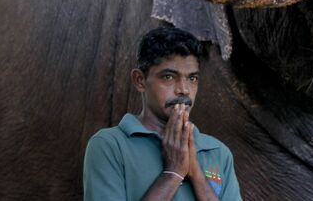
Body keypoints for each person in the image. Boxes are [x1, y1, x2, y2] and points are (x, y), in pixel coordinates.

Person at [83, 27, 242, 201]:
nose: (184, 90)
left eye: (192, 78)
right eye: (168, 77)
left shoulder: (218, 151)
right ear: (140, 81)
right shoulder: (109, 146)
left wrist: (197, 175)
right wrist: (173, 173)